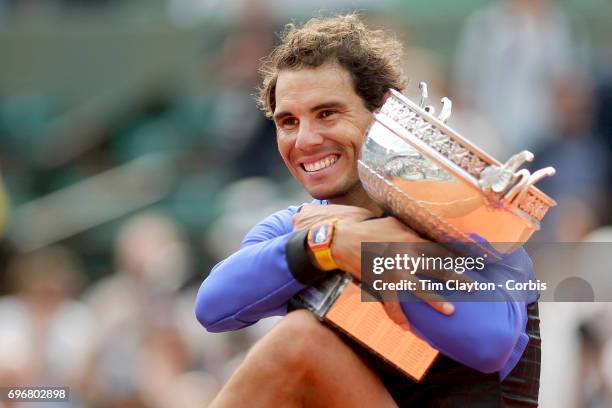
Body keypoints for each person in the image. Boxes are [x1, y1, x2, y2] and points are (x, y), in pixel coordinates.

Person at [195, 14, 541, 407]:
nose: (305, 140)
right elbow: (212, 306)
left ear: (383, 114)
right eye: (288, 122)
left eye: (327, 114)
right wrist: (328, 245)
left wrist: (365, 257)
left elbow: (489, 341)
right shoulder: (300, 226)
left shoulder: (471, 219)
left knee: (300, 340)